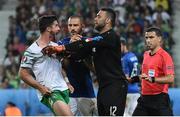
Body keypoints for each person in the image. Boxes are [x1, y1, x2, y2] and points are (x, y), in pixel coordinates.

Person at [42, 8, 128, 116]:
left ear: (107, 20)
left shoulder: (110, 36)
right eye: (70, 25)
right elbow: (75, 55)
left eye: (99, 16)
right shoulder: (95, 41)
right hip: (103, 87)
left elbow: (86, 44)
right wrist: (67, 49)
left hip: (113, 87)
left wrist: (62, 48)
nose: (95, 19)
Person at [19, 15, 73, 116]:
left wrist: (67, 82)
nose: (59, 28)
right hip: (50, 91)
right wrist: (40, 88)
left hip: (63, 89)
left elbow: (60, 68)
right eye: (56, 25)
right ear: (48, 28)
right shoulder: (32, 50)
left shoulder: (56, 46)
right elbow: (23, 74)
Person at [58, 15, 97, 116]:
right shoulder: (62, 44)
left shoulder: (89, 43)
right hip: (69, 93)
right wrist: (70, 47)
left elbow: (95, 70)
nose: (72, 28)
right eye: (70, 25)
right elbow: (60, 66)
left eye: (75, 25)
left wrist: (82, 50)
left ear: (82, 27)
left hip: (87, 92)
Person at [132, 27, 174, 116]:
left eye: (151, 37)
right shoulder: (146, 54)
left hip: (159, 99)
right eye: (146, 38)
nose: (148, 40)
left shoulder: (165, 56)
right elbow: (144, 76)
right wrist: (133, 79)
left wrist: (153, 79)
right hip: (144, 99)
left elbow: (171, 78)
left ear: (159, 39)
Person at [120, 38, 140, 116]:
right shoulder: (133, 56)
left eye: (119, 46)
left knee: (124, 113)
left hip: (128, 91)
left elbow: (126, 77)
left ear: (124, 45)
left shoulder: (125, 59)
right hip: (136, 90)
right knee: (133, 114)